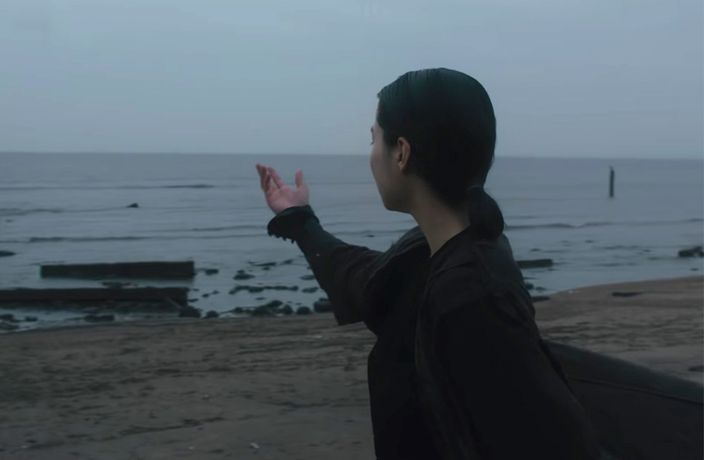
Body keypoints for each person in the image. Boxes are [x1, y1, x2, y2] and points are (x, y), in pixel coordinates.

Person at [255, 68, 604, 459]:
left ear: (401, 152)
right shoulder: (445, 251)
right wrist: (300, 220)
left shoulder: (472, 299)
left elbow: (547, 440)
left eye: (374, 139)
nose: (370, 154)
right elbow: (364, 278)